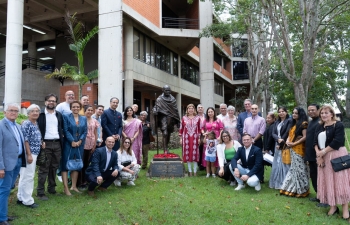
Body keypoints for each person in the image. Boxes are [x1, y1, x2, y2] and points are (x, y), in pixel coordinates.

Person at [314, 105, 350, 220]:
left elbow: (338, 141)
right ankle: (333, 206)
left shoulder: (338, 125)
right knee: (329, 181)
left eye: (326, 113)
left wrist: (323, 151)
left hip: (337, 155)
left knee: (340, 182)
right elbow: (314, 142)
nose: (323, 115)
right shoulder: (319, 126)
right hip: (323, 157)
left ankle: (345, 209)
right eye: (322, 113)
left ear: (332, 114)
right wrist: (319, 155)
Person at [0, 103, 26, 223]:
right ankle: (2, 218)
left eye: (16, 111)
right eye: (11, 110)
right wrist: (1, 167)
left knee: (8, 189)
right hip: (6, 165)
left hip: (17, 162)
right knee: (4, 190)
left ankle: (3, 213)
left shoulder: (17, 126)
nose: (14, 113)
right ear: (5, 112)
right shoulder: (1, 125)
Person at [37, 94, 64, 201]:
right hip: (45, 144)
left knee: (54, 167)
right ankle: (40, 192)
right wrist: (40, 141)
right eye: (49, 101)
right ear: (45, 102)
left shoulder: (59, 115)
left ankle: (51, 189)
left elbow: (61, 128)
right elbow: (36, 129)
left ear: (56, 103)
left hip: (57, 144)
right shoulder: (40, 114)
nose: (51, 102)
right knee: (44, 168)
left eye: (53, 101)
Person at [280, 107, 309, 197]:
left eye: (296, 113)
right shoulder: (293, 124)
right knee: (294, 169)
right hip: (292, 148)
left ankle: (302, 190)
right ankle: (291, 189)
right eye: (293, 113)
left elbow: (305, 137)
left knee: (300, 170)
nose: (294, 114)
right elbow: (290, 135)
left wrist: (294, 143)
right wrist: (288, 142)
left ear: (300, 114)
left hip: (300, 149)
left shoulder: (304, 124)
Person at [17, 104, 42, 209]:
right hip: (30, 154)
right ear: (28, 114)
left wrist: (41, 142)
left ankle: (21, 197)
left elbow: (35, 136)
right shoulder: (27, 124)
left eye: (37, 111)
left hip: (34, 152)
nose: (35, 113)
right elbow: (25, 140)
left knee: (24, 176)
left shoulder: (35, 123)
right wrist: (29, 154)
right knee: (29, 176)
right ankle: (27, 201)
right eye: (33, 111)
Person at [61, 101, 87, 196]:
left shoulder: (83, 118)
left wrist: (80, 141)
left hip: (80, 144)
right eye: (74, 107)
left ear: (80, 108)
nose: (76, 108)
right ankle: (66, 188)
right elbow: (66, 130)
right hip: (69, 144)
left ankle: (74, 186)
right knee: (65, 164)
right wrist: (72, 141)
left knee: (76, 163)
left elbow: (85, 131)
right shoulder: (66, 117)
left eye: (77, 107)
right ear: (71, 108)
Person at [305, 104, 327, 207]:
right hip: (310, 154)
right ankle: (319, 196)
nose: (310, 112)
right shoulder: (311, 122)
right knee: (314, 176)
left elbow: (320, 140)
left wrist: (320, 155)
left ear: (318, 110)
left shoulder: (320, 122)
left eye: (313, 110)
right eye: (309, 110)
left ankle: (325, 199)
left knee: (321, 177)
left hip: (318, 154)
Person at [269, 106, 292, 189]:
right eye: (279, 111)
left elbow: (287, 132)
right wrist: (278, 139)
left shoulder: (289, 121)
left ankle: (285, 183)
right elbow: (273, 133)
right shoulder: (277, 122)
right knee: (277, 163)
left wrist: (281, 142)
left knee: (284, 163)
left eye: (283, 111)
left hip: (284, 144)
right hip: (277, 143)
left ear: (286, 112)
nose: (281, 113)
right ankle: (276, 182)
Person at [152, 85, 180, 153]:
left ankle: (166, 147)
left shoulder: (173, 99)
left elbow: (175, 110)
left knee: (169, 133)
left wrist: (177, 119)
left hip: (171, 118)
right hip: (163, 117)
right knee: (165, 133)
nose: (168, 92)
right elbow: (155, 107)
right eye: (166, 90)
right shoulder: (159, 99)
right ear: (163, 90)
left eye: (169, 90)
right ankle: (165, 149)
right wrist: (155, 110)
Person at [179, 104, 201, 176]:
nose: (191, 110)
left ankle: (195, 171)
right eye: (189, 108)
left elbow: (199, 129)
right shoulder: (184, 118)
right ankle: (190, 171)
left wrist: (199, 138)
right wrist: (180, 138)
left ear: (194, 109)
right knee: (188, 153)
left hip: (195, 138)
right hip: (186, 139)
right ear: (187, 110)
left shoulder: (197, 118)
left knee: (194, 154)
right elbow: (181, 129)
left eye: (192, 108)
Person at [81, 105, 100, 188]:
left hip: (91, 144)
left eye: (91, 110)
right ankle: (80, 181)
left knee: (88, 163)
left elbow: (96, 133)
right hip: (82, 144)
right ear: (85, 111)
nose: (90, 111)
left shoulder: (94, 121)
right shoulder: (81, 119)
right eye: (88, 110)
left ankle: (86, 179)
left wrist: (94, 144)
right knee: (82, 163)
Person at [196, 104, 206, 170]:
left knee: (206, 149)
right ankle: (200, 164)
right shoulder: (195, 117)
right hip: (198, 135)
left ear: (203, 109)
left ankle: (205, 164)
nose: (200, 109)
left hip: (206, 134)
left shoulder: (206, 116)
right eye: (199, 107)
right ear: (197, 109)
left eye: (201, 107)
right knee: (199, 149)